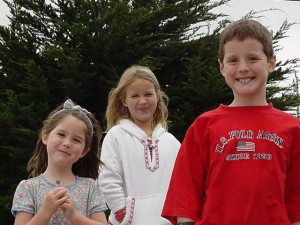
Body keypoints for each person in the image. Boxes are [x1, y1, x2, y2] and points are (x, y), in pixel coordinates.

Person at [162, 19, 300, 225]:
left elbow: (296, 199)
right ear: (221, 67)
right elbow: (185, 191)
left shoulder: (292, 128)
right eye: (233, 60)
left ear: (271, 62)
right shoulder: (204, 125)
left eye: (252, 58)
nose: (243, 68)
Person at [99, 65, 181, 225]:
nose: (142, 101)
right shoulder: (115, 136)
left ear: (157, 97)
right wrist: (122, 212)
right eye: (135, 96)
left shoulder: (171, 142)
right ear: (124, 100)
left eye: (148, 94)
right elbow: (108, 178)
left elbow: (183, 183)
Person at [11, 99, 108, 225]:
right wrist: (46, 211)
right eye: (61, 134)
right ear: (45, 137)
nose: (67, 143)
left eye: (76, 140)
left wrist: (74, 216)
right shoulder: (28, 188)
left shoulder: (91, 188)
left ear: (84, 151)